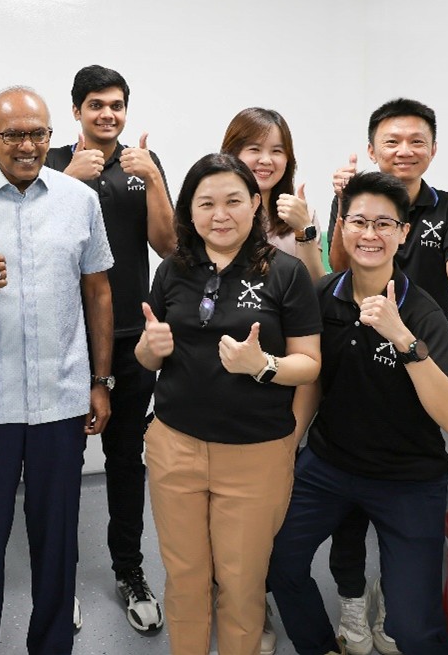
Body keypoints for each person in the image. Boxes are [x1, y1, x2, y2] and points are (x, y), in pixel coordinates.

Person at [0, 86, 114, 655]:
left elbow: (99, 293)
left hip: (61, 397)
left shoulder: (79, 200)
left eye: (39, 133)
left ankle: (51, 645)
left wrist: (100, 381)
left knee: (57, 541)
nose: (28, 146)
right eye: (14, 135)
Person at [267, 171, 448, 655]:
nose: (370, 234)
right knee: (278, 566)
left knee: (414, 627)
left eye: (384, 223)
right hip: (328, 466)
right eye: (359, 221)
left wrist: (403, 339)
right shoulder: (323, 296)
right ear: (342, 229)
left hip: (408, 479)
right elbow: (314, 379)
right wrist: (287, 451)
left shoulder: (421, 313)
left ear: (403, 233)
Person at [323, 97, 448, 653]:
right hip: (355, 342)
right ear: (372, 148)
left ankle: (399, 609)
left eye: (416, 141)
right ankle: (354, 600)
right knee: (347, 482)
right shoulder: (355, 200)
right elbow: (334, 266)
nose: (404, 151)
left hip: (419, 346)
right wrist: (334, 203)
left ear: (433, 150)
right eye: (391, 141)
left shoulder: (446, 207)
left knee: (404, 465)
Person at [136, 152, 321, 655]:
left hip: (255, 454)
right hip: (175, 446)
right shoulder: (173, 269)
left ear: (255, 204)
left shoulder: (286, 274)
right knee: (186, 578)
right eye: (207, 203)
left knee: (241, 586)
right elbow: (149, 354)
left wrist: (263, 366)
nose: (221, 214)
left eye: (234, 201)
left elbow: (309, 364)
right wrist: (147, 351)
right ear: (189, 212)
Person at [45, 65, 174, 634]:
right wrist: (67, 177)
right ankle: (60, 579)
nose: (108, 114)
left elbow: (168, 245)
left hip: (130, 339)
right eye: (96, 104)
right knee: (62, 464)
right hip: (64, 337)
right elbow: (33, 240)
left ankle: (130, 569)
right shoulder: (50, 163)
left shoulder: (142, 164)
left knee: (126, 459)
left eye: (117, 105)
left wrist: (156, 180)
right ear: (76, 110)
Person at [221, 107, 324, 281]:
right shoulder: (216, 213)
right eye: (254, 149)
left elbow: (315, 287)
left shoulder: (303, 214)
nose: (266, 160)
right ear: (232, 153)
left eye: (277, 151)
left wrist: (303, 228)